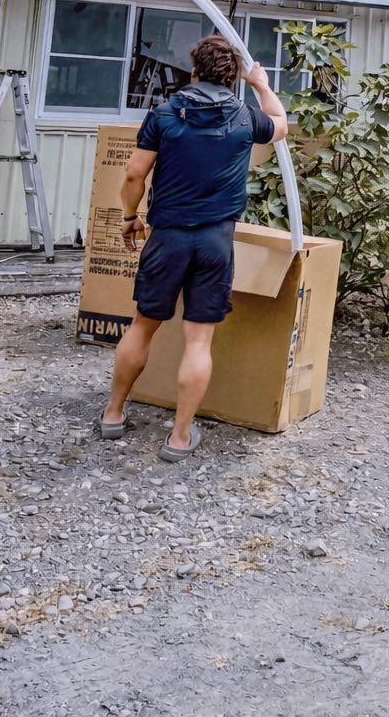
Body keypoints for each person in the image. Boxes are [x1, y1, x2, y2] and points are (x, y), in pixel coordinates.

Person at [100, 36, 289, 460]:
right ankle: (180, 437)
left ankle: (113, 414)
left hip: (167, 237)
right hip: (215, 241)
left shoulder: (164, 115)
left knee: (142, 325)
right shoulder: (245, 117)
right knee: (198, 343)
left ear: (195, 71)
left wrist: (130, 216)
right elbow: (281, 122)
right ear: (231, 76)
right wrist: (259, 83)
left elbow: (134, 175)